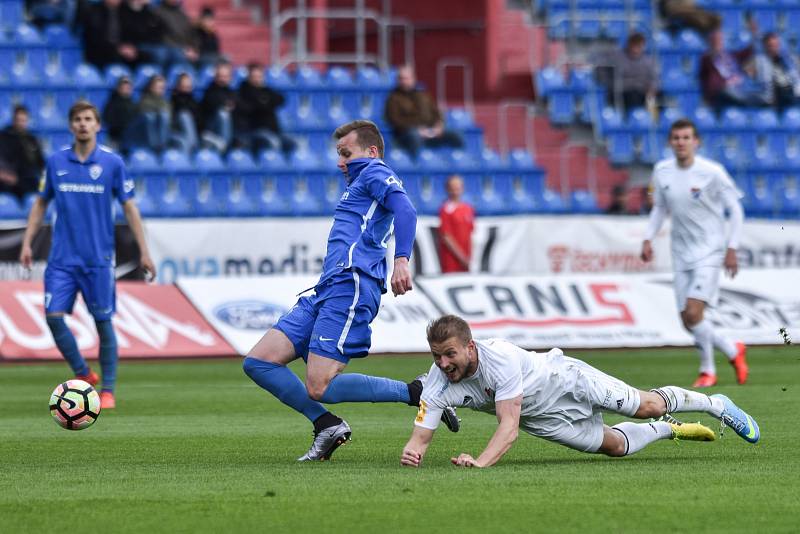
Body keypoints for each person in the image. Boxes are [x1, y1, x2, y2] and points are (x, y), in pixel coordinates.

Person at [242, 120, 458, 462]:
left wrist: (401, 260)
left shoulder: (374, 171)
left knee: (319, 385)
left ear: (371, 151)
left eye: (346, 153)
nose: (340, 162)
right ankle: (326, 424)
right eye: (338, 154)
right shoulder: (358, 183)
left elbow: (406, 209)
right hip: (327, 289)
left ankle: (416, 392)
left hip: (351, 285)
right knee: (259, 362)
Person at [400, 315, 760, 469]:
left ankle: (715, 403)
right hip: (542, 418)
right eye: (437, 356)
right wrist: (412, 454)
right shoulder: (437, 382)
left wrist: (480, 462)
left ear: (470, 347)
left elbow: (507, 427)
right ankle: (671, 429)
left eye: (450, 354)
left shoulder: (501, 359)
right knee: (615, 447)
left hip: (566, 380)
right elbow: (420, 437)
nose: (444, 363)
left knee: (645, 406)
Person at [19, 100, 156, 409]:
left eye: (88, 119)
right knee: (53, 318)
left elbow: (129, 206)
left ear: (97, 125)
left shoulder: (111, 163)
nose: (83, 124)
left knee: (103, 323)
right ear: (71, 126)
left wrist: (144, 251)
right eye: (78, 119)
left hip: (98, 260)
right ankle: (83, 372)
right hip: (62, 260)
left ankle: (108, 391)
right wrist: (28, 241)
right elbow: (41, 203)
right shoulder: (56, 162)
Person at [640, 119, 747, 388]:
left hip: (710, 251)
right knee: (687, 321)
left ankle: (708, 370)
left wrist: (731, 247)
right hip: (681, 253)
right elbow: (659, 209)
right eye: (676, 138)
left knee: (693, 311)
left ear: (696, 142)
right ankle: (733, 349)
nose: (681, 142)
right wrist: (647, 238)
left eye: (686, 138)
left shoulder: (712, 172)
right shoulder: (661, 171)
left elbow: (735, 210)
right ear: (670, 142)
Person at [384, 65, 464, 157]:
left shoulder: (423, 95)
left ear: (413, 79)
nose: (404, 81)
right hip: (407, 134)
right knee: (414, 136)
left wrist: (439, 125)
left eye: (407, 78)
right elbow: (395, 121)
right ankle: (417, 166)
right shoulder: (393, 98)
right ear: (397, 80)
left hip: (431, 131)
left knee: (456, 134)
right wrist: (419, 130)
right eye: (401, 79)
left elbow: (437, 113)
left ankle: (458, 164)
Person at [234, 62, 295, 154]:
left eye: (259, 76)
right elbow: (253, 107)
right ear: (249, 77)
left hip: (274, 131)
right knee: (273, 142)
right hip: (255, 131)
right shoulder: (243, 91)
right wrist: (264, 103)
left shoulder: (266, 90)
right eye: (254, 76)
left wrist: (264, 102)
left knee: (294, 143)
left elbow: (280, 99)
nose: (257, 79)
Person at [699, 29, 765, 111]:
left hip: (732, 88)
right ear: (710, 42)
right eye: (715, 40)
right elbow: (706, 69)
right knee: (737, 95)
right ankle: (756, 102)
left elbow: (746, 53)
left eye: (720, 40)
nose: (718, 42)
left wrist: (755, 36)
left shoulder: (729, 55)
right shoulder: (707, 57)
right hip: (719, 90)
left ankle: (757, 100)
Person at [599, 33, 658, 113]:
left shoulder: (648, 61)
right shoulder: (617, 57)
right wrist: (609, 82)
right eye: (634, 45)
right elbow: (602, 65)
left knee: (660, 97)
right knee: (633, 96)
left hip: (643, 91)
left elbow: (654, 78)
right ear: (629, 45)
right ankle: (634, 118)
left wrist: (652, 88)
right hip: (624, 90)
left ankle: (652, 121)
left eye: (639, 46)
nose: (636, 49)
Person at [0, 105, 45, 199]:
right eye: (19, 120)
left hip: (28, 180)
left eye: (24, 120)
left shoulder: (31, 140)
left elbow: (41, 163)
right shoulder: (4, 137)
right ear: (14, 120)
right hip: (7, 180)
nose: (21, 123)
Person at [77, 0, 138, 69]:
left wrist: (129, 47)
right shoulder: (94, 11)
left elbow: (132, 33)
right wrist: (118, 49)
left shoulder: (124, 11)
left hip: (121, 52)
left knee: (143, 55)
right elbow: (95, 39)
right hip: (100, 53)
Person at [752, 33, 800, 112]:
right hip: (773, 96)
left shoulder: (788, 59)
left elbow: (796, 78)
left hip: (791, 93)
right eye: (771, 45)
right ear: (765, 46)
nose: (774, 48)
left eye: (776, 45)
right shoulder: (759, 61)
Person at [438, 174, 474, 273]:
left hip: (466, 259)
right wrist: (462, 257)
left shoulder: (468, 208)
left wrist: (468, 257)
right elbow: (446, 237)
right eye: (453, 188)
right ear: (448, 189)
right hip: (451, 260)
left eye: (458, 187)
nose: (455, 191)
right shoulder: (445, 210)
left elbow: (470, 234)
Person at [199, 61, 235, 151]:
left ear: (230, 78)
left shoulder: (232, 92)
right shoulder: (209, 91)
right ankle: (225, 147)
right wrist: (226, 105)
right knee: (223, 113)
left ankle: (225, 145)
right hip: (212, 127)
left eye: (225, 76)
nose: (223, 79)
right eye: (220, 76)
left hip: (234, 128)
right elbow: (212, 104)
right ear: (215, 77)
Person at [153, 0, 199, 66]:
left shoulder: (182, 14)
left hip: (183, 47)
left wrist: (193, 48)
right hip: (169, 46)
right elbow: (160, 35)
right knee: (177, 56)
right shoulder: (158, 12)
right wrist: (183, 49)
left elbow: (192, 34)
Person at [102, 76, 139, 152]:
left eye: (128, 87)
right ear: (118, 88)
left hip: (131, 139)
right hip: (115, 138)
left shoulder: (133, 104)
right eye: (124, 87)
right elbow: (108, 120)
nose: (126, 89)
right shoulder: (112, 103)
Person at [137, 74, 171, 152]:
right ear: (151, 87)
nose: (161, 90)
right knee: (150, 116)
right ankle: (156, 148)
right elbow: (144, 116)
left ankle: (162, 147)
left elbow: (169, 121)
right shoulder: (144, 100)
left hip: (164, 133)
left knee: (164, 115)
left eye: (162, 88)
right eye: (158, 87)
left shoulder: (166, 102)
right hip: (145, 135)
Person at [170, 72, 201, 152]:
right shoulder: (173, 100)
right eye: (184, 86)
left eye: (189, 86)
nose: (187, 89)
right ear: (178, 86)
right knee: (185, 115)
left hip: (194, 132)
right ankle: (192, 148)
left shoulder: (194, 101)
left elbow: (199, 120)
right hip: (177, 131)